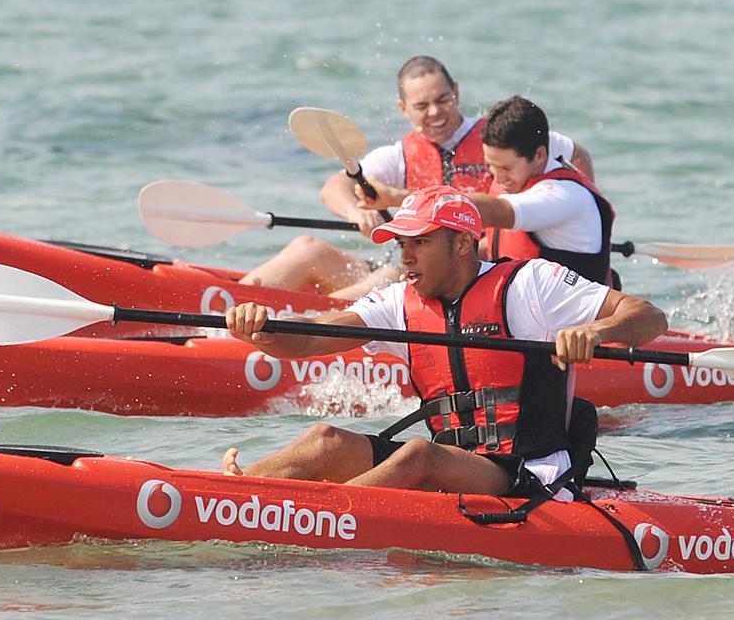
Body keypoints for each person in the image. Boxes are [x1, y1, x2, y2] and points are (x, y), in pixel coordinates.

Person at [222, 185, 666, 502]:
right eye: (401, 244)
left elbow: (648, 316)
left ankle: (307, 518)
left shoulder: (531, 283)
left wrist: (595, 332)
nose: (405, 256)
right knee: (324, 441)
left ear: (461, 243)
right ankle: (228, 494)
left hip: (529, 473)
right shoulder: (400, 301)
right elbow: (309, 339)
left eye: (420, 242)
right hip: (454, 461)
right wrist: (261, 331)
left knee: (418, 455)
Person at [239, 56, 594, 296]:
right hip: (409, 268)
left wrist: (582, 229)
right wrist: (354, 211)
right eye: (422, 106)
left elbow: (576, 155)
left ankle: (295, 326)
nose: (436, 113)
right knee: (307, 249)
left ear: (457, 92)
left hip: (471, 274)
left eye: (443, 99)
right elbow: (335, 186)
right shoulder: (398, 155)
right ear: (403, 109)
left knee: (387, 279)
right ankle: (229, 309)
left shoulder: (499, 139)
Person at [465, 95, 619, 288]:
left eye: (506, 168)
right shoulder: (536, 144)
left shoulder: (562, 196)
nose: (497, 177)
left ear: (539, 156)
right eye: (490, 165)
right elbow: (577, 152)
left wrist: (427, 204)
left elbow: (499, 212)